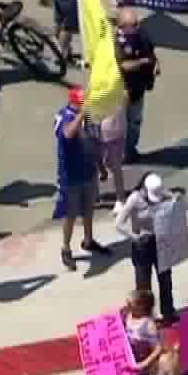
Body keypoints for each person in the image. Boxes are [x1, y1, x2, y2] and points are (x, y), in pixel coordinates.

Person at [53, 88, 109, 270]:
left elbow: (94, 143)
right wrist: (81, 116)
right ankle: (66, 249)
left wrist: (100, 166)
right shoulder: (64, 116)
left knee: (88, 209)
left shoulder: (90, 118)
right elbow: (67, 135)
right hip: (71, 176)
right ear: (74, 102)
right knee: (70, 215)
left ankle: (88, 240)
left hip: (88, 173)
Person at [114, 173, 181, 325]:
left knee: (165, 280)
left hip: (160, 242)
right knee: (143, 285)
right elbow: (118, 224)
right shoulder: (134, 199)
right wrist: (134, 237)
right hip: (141, 244)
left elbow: (173, 200)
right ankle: (146, 317)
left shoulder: (160, 191)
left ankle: (168, 312)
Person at [115, 7, 159, 162]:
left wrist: (155, 64)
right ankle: (119, 155)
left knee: (135, 122)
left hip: (139, 88)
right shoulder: (118, 42)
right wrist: (144, 62)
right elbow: (124, 65)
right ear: (121, 26)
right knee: (120, 124)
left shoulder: (142, 35)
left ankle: (130, 150)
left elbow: (151, 52)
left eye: (136, 23)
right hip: (123, 91)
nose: (136, 27)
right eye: (132, 25)